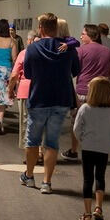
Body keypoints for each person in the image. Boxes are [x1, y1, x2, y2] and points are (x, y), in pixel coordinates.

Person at [20, 13, 81, 195]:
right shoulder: (68, 48)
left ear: (41, 28)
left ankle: (29, 176)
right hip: (61, 99)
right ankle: (47, 182)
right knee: (52, 142)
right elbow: (76, 70)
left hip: (38, 99)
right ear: (56, 27)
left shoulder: (33, 48)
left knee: (32, 140)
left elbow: (28, 74)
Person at [73, 77, 110, 220]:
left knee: (88, 179)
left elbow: (76, 129)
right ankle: (99, 208)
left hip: (88, 147)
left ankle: (87, 214)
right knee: (100, 177)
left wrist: (82, 140)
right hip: (104, 148)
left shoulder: (85, 108)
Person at [63, 24, 110, 161]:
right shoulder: (108, 52)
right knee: (99, 123)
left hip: (83, 91)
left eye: (83, 34)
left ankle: (74, 150)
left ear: (91, 35)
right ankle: (98, 151)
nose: (81, 36)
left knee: (78, 122)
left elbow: (73, 70)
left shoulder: (80, 51)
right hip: (102, 93)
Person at [8, 31, 39, 153]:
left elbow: (14, 74)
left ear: (30, 41)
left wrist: (10, 90)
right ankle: (40, 150)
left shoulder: (24, 53)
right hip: (42, 91)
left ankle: (30, 151)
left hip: (25, 90)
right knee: (40, 123)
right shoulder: (48, 54)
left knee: (26, 122)